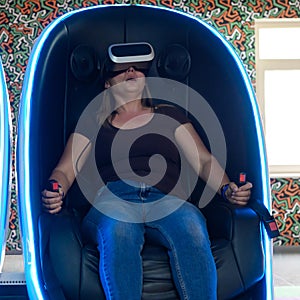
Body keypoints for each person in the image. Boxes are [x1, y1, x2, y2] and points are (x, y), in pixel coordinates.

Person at [41, 43, 252, 300]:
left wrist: (227, 188)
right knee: (119, 231)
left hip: (168, 199)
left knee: (191, 227)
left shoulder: (170, 115)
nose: (132, 71)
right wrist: (56, 188)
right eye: (123, 69)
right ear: (108, 84)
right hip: (114, 200)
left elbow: (204, 161)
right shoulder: (93, 121)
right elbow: (65, 168)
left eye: (138, 68)